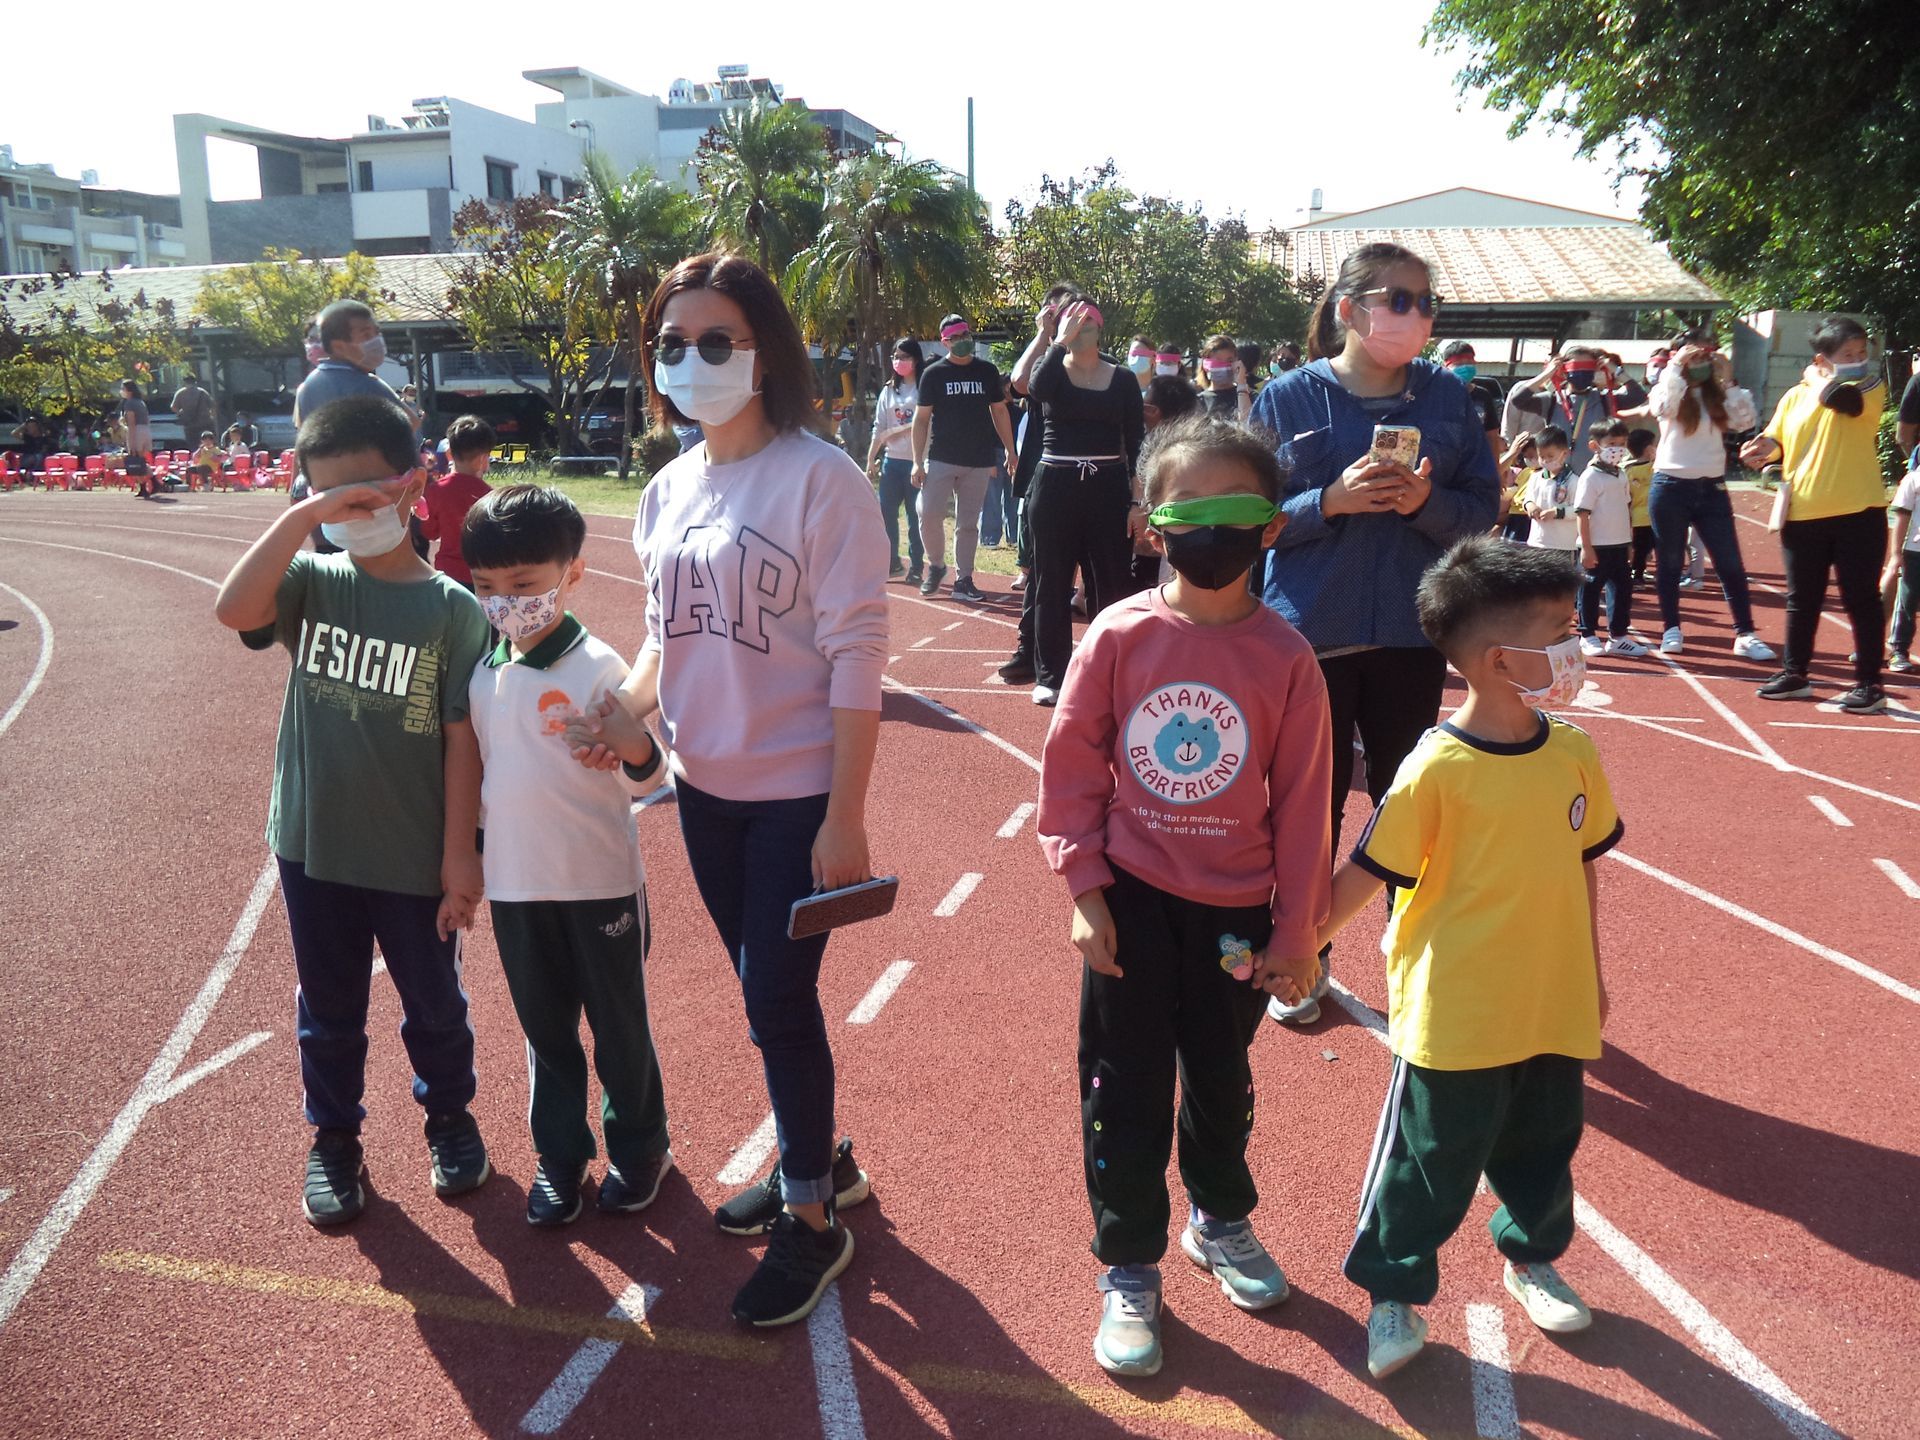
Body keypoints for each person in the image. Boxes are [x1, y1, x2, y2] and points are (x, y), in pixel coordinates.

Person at [579, 252, 884, 1327]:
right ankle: (823, 1157)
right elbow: (664, 638)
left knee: (776, 1003)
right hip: (703, 792)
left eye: (717, 341)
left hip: (798, 798)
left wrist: (845, 815)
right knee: (767, 996)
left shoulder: (823, 479)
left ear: (765, 352)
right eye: (672, 343)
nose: (691, 360)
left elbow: (857, 655)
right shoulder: (666, 490)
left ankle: (813, 1219)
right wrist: (624, 711)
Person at [1038, 415, 1332, 1378]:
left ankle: (1220, 1217)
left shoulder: (1287, 659)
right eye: (1187, 510)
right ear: (1150, 523)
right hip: (1131, 901)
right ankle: (1129, 1263)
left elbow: (1305, 806)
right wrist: (1085, 886)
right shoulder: (1119, 635)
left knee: (1219, 1075)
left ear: (1272, 525)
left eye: (1235, 509)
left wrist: (1298, 932)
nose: (1212, 530)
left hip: (1237, 918)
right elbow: (1072, 768)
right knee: (1122, 1083)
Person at [1325, 535, 1620, 1380]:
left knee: (1544, 1144)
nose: (1577, 646)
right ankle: (1393, 1291)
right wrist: (1296, 947)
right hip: (1455, 1009)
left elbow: (1582, 866)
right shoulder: (1436, 767)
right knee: (1430, 1157)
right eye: (1561, 632)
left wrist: (1592, 972)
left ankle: (1532, 1258)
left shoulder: (1574, 753)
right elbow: (1367, 872)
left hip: (1550, 999)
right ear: (1499, 660)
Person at [211, 394, 494, 1228]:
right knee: (329, 1010)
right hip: (314, 846)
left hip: (411, 853)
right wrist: (306, 516)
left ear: (415, 482)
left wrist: (460, 853)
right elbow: (234, 609)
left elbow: (462, 740)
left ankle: (450, 1118)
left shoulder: (452, 609)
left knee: (434, 1004)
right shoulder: (310, 581)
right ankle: (335, 1139)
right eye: (328, 498)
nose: (349, 515)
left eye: (364, 495)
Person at [1248, 241, 1502, 1027]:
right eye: (1399, 300)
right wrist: (1326, 502)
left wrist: (1425, 504)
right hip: (1311, 640)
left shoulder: (1448, 399)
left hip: (1410, 636)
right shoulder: (1287, 398)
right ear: (1349, 310)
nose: (1415, 316)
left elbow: (1482, 511)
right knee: (1308, 811)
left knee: (1409, 804)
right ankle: (1303, 958)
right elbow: (1250, 518)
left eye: (1426, 304)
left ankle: (1413, 957)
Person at [461, 484, 674, 1227]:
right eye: (487, 587)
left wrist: (632, 748)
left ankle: (642, 1148)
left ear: (571, 573)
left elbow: (652, 778)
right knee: (545, 1034)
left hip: (600, 886)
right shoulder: (483, 674)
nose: (506, 604)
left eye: (523, 585)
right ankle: (559, 1157)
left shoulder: (600, 669)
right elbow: (486, 784)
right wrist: (472, 865)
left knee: (619, 1030)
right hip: (517, 891)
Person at [1740, 317, 1890, 714]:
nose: (1858, 359)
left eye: (1861, 352)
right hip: (1803, 511)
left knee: (1861, 599)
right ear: (1823, 358)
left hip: (1859, 510)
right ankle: (1795, 674)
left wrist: (1815, 376)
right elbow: (1779, 439)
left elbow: (1843, 402)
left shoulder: (1868, 386)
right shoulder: (1795, 396)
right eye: (1848, 354)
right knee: (1801, 599)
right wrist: (1762, 449)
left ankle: (1870, 683)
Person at [1023, 299, 1147, 706]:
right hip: (1054, 485)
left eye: (1087, 322)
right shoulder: (1052, 371)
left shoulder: (1123, 378)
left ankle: (1108, 671)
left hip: (1108, 487)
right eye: (1071, 323)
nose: (1079, 328)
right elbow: (1036, 390)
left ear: (1100, 328)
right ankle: (1051, 676)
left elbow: (1137, 443)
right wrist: (1056, 342)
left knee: (1111, 582)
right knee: (1051, 583)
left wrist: (1137, 501)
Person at [1645, 331, 1776, 661]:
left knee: (1729, 562)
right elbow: (1662, 407)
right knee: (1670, 561)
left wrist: (1729, 379)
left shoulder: (1718, 394)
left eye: (1705, 356)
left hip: (1712, 488)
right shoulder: (1668, 387)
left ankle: (1745, 634)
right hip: (1670, 485)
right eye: (1694, 356)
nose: (1700, 362)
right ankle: (1671, 628)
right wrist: (1676, 367)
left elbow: (1745, 421)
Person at [911, 314, 1015, 601]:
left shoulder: (987, 371)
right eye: (955, 338)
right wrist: (917, 461)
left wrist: (1010, 449)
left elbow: (999, 410)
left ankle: (964, 579)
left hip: (978, 459)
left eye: (965, 335)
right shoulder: (934, 374)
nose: (962, 341)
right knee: (928, 513)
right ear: (944, 342)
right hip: (942, 457)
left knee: (968, 524)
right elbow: (921, 419)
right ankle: (936, 565)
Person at [1574, 420, 1647, 656]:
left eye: (1622, 443)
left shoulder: (1621, 474)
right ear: (1595, 445)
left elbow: (1626, 508)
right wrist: (1587, 547)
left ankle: (1618, 636)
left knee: (1622, 589)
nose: (1618, 449)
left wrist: (1629, 543)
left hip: (1619, 544)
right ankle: (1587, 635)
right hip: (1597, 545)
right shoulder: (1590, 477)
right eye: (1612, 443)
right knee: (1590, 589)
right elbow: (1582, 514)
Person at [1507, 347, 1647, 456]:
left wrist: (1615, 370)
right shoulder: (1552, 401)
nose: (1582, 373)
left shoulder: (1604, 399)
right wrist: (1547, 373)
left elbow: (1639, 396)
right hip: (1560, 475)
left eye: (1587, 368)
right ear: (1564, 369)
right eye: (1576, 367)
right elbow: (1518, 400)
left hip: (1594, 476)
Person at [867, 338, 925, 584]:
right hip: (891, 463)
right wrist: (871, 458)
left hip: (916, 462)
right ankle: (891, 562)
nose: (898, 361)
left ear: (916, 359)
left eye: (904, 357)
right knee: (886, 515)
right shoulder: (889, 390)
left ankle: (917, 566)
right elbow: (879, 427)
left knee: (915, 518)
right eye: (895, 357)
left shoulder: (924, 387)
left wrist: (898, 431)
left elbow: (926, 421)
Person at [416, 415, 496, 590]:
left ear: (449, 454)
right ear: (484, 459)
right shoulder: (490, 496)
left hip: (448, 574)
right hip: (482, 575)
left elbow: (429, 532)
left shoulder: (436, 490)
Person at [295, 300, 402, 426]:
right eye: (366, 335)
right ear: (339, 346)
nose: (377, 340)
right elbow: (409, 423)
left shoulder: (308, 386)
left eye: (377, 333)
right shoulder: (367, 386)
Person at [1885, 455, 1919, 672]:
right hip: (1915, 552)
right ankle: (1898, 650)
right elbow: (1901, 518)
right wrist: (1896, 553)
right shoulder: (1913, 480)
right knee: (1907, 602)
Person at [1524, 427, 1580, 556]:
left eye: (1550, 456)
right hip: (1537, 542)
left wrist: (1557, 513)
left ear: (1564, 454)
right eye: (1541, 456)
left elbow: (1579, 510)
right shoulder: (1535, 478)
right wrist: (1530, 506)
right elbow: (1528, 499)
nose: (1546, 460)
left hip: (1563, 545)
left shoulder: (1573, 481)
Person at [1625, 428, 1657, 585]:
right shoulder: (1655, 469)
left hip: (1638, 517)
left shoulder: (1628, 471)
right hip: (1653, 516)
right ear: (1649, 448)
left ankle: (1638, 574)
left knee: (1641, 548)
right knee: (1650, 547)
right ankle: (1637, 574)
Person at [1195, 334, 1251, 421]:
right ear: (1206, 365)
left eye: (1229, 360)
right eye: (1218, 361)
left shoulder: (1249, 395)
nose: (1224, 366)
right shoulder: (1199, 402)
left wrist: (1241, 384)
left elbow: (1249, 422)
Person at [1497, 433, 1538, 542]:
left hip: (1526, 515)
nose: (1529, 459)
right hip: (1513, 514)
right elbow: (1515, 489)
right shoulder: (1525, 472)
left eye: (1532, 456)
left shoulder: (1543, 474)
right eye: (1526, 457)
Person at [120, 380, 155, 499]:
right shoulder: (140, 402)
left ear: (129, 390)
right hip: (145, 430)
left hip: (137, 431)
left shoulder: (129, 403)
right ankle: (148, 485)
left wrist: (131, 443)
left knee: (135, 459)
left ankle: (150, 484)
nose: (122, 391)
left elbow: (132, 424)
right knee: (141, 461)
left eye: (123, 389)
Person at [171, 373, 215, 443]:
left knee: (192, 444)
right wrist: (211, 416)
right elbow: (212, 405)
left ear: (184, 382)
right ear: (195, 382)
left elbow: (173, 407)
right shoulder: (202, 392)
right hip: (204, 422)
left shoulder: (180, 393)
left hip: (189, 424)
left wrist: (180, 413)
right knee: (207, 443)